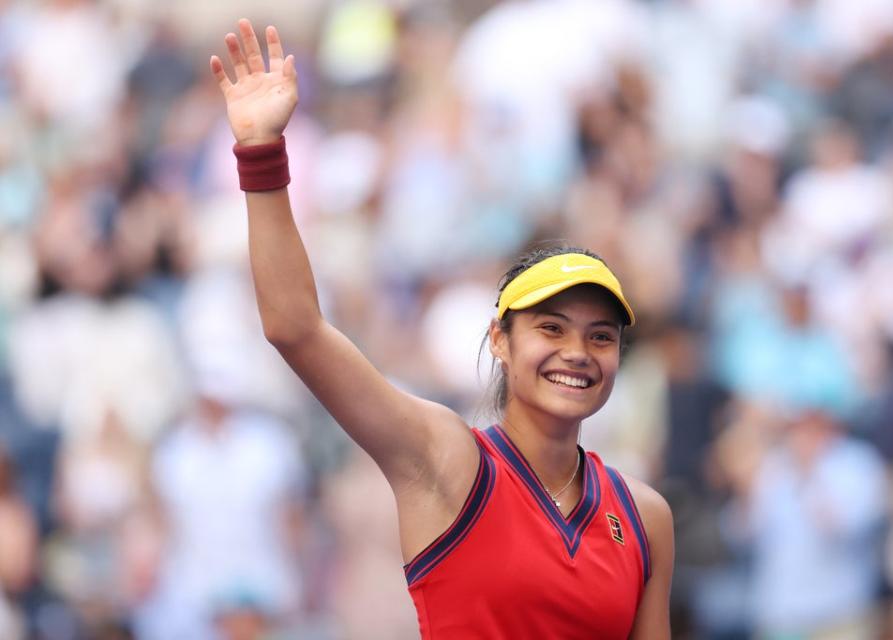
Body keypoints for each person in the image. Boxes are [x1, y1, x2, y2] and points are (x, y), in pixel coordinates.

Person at [209, 18, 673, 638]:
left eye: (601, 336)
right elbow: (294, 327)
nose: (578, 353)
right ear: (500, 342)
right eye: (552, 328)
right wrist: (262, 155)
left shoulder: (644, 518)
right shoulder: (447, 460)